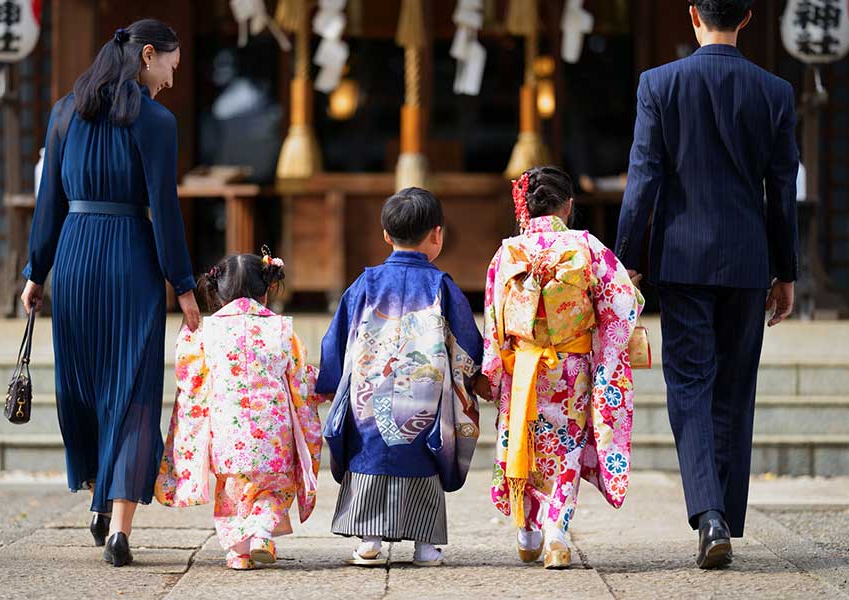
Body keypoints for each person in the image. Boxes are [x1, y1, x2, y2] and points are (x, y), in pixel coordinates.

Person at [615, 0, 799, 569]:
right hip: (747, 260)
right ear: (746, 18)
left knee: (690, 386)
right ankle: (723, 517)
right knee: (735, 389)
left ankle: (709, 514)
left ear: (693, 13)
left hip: (682, 259)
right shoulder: (775, 91)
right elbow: (781, 191)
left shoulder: (659, 84)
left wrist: (625, 262)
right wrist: (786, 271)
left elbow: (643, 178)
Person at [19, 19, 200, 567]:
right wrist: (184, 285)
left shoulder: (64, 112)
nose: (172, 76)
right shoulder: (157, 121)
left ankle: (98, 495)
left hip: (74, 259)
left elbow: (49, 202)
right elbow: (164, 210)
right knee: (134, 388)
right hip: (130, 260)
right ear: (148, 56)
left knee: (87, 384)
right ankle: (119, 526)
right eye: (170, 63)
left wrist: (36, 272)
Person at [481, 166, 643, 569]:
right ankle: (556, 534)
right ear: (568, 206)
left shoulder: (507, 253)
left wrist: (493, 373)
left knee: (523, 440)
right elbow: (621, 302)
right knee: (565, 449)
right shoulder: (585, 246)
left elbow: (494, 319)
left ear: (524, 208)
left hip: (523, 367)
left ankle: (527, 531)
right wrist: (632, 294)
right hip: (571, 369)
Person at [317, 187, 483, 567]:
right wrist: (477, 378)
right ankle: (425, 546)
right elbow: (467, 342)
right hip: (424, 399)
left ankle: (369, 541)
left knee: (369, 454)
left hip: (369, 395)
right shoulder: (442, 286)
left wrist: (328, 381)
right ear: (437, 234)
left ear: (386, 235)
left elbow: (338, 336)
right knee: (424, 457)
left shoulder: (366, 283)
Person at [155, 251, 323, 570]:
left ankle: (238, 554)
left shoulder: (207, 332)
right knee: (274, 487)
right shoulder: (281, 329)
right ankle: (262, 534)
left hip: (227, 431)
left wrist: (184, 336)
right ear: (266, 290)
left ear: (219, 292)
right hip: (273, 431)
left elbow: (190, 377)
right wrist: (323, 385)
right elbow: (301, 378)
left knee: (232, 493)